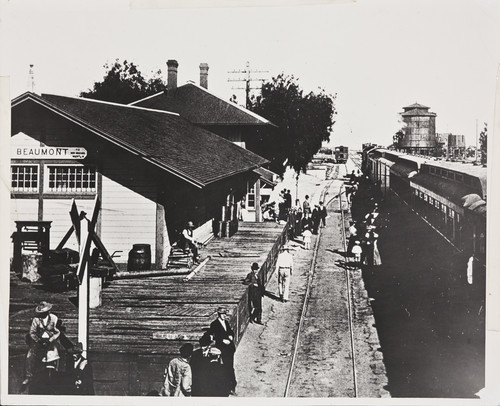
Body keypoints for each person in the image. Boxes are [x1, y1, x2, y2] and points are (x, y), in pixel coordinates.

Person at [21, 301, 61, 390]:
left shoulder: (54, 318)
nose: (41, 315)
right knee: (29, 355)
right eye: (40, 313)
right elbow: (32, 332)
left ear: (48, 311)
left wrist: (51, 340)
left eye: (43, 313)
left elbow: (57, 332)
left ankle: (55, 375)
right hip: (39, 341)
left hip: (50, 341)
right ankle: (28, 376)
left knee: (55, 355)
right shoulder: (36, 320)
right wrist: (38, 341)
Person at [209, 307, 237, 394]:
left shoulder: (226, 322)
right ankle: (230, 386)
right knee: (227, 367)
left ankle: (232, 385)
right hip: (222, 348)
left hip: (229, 348)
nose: (225, 316)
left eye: (225, 314)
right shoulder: (214, 324)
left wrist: (231, 336)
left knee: (229, 366)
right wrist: (222, 340)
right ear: (219, 315)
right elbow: (213, 335)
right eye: (223, 314)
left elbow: (230, 331)